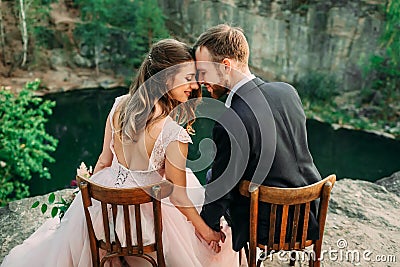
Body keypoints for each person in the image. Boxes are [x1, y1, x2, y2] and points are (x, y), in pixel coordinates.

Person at [1, 39, 238, 267]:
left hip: (106, 217)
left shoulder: (119, 106)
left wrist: (92, 204)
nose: (195, 86)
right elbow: (176, 195)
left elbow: (104, 161)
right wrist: (206, 231)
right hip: (147, 224)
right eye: (188, 79)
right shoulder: (173, 133)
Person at [193, 24, 322, 253]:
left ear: (225, 66)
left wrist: (206, 225)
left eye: (203, 72)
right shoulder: (287, 92)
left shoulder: (230, 120)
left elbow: (221, 190)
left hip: (267, 227)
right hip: (309, 217)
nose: (200, 80)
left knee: (214, 177)